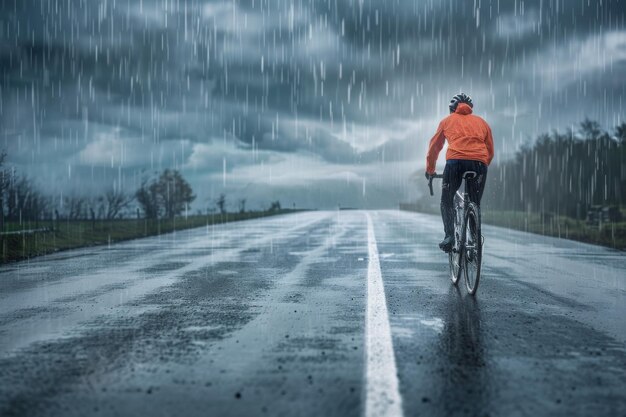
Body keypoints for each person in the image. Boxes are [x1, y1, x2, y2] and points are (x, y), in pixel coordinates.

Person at [425, 93, 494, 252]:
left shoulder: (447, 121)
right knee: (475, 202)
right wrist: (482, 164)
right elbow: (490, 150)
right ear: (470, 108)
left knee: (447, 200)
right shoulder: (482, 123)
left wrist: (430, 170)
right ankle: (475, 240)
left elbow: (434, 148)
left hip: (455, 162)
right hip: (479, 164)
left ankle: (449, 236)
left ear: (452, 109)